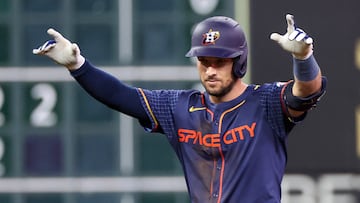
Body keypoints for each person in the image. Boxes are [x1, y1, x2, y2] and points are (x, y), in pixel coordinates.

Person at [33, 14, 326, 203]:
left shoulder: (265, 103)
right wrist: (78, 66)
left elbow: (307, 91)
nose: (210, 70)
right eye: (204, 61)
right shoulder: (179, 107)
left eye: (219, 62)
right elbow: (122, 96)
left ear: (238, 62)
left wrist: (304, 58)